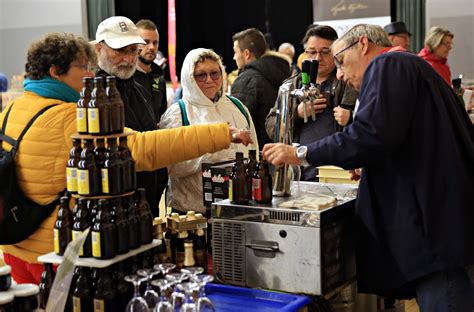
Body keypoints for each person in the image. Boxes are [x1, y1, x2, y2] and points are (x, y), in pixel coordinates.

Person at [0, 33, 251, 284]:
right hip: (57, 256)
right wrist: (220, 133)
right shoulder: (70, 116)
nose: (89, 75)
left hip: (15, 245)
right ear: (55, 71)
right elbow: (141, 148)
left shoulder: (13, 109)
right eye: (83, 67)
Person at [263, 24, 474, 310]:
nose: (339, 73)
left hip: (434, 226)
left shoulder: (388, 64)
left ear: (362, 44)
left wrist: (301, 152)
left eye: (339, 60)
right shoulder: (409, 65)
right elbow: (400, 138)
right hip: (442, 218)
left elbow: (371, 134)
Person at [159, 48, 258, 214]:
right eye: (201, 75)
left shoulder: (237, 107)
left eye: (214, 73)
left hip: (237, 209)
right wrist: (213, 150)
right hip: (192, 214)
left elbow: (253, 151)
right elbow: (170, 168)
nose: (209, 80)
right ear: (189, 78)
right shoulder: (178, 113)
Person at [265, 25, 358, 182]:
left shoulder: (348, 81)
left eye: (325, 52)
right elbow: (271, 125)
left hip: (335, 172)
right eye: (312, 52)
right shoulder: (291, 85)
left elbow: (367, 125)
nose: (318, 58)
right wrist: (296, 113)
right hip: (298, 174)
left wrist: (350, 117)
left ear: (336, 51)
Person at [92, 16, 165, 216]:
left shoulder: (140, 90)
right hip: (113, 211)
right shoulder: (90, 97)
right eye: (121, 50)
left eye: (133, 50)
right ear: (99, 48)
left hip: (148, 204)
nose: (129, 58)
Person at [230, 28, 291, 150]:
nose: (234, 57)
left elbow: (238, 124)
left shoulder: (246, 79)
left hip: (258, 154)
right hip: (281, 149)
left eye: (235, 52)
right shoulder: (285, 72)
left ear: (246, 53)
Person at [134, 18, 169, 213]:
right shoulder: (125, 79)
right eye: (145, 42)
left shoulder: (158, 78)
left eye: (155, 42)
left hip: (156, 160)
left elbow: (162, 117)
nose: (151, 47)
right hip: (136, 159)